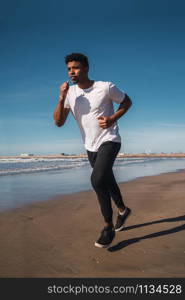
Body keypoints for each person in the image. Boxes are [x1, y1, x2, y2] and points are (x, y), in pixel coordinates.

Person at [53, 53, 132, 248]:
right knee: (106, 179)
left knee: (97, 180)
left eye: (76, 68)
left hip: (110, 139)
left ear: (86, 68)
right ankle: (123, 210)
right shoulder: (70, 93)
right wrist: (62, 97)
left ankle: (108, 227)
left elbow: (127, 101)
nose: (72, 72)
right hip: (90, 146)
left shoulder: (105, 87)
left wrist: (112, 118)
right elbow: (58, 122)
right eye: (69, 69)